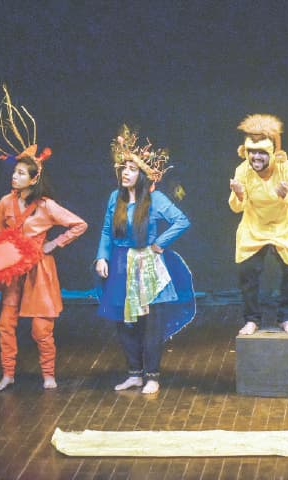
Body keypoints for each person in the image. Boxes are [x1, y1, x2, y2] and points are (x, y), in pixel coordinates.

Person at [95, 126, 194, 395]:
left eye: (132, 168)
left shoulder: (155, 199)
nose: (125, 172)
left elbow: (181, 221)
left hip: (145, 264)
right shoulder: (115, 198)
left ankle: (152, 375)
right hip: (119, 262)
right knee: (124, 321)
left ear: (143, 174)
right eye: (123, 168)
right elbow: (106, 230)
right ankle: (134, 374)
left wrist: (159, 244)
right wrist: (102, 257)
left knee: (150, 323)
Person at [0, 152, 87, 391]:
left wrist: (54, 244)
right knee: (5, 323)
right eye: (15, 172)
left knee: (41, 329)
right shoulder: (5, 202)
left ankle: (48, 374)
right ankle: (8, 373)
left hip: (38, 270)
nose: (15, 176)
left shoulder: (46, 206)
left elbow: (79, 224)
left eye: (21, 173)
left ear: (33, 179)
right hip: (14, 270)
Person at [229, 114, 288, 336]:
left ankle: (286, 318)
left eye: (261, 152)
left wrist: (285, 195)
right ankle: (252, 319)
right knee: (247, 272)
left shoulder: (287, 169)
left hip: (286, 226)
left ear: (271, 153)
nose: (255, 157)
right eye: (251, 152)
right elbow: (237, 207)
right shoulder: (242, 170)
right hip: (254, 225)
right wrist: (237, 194)